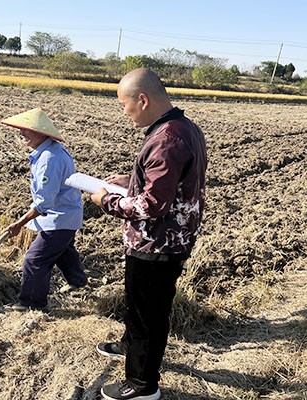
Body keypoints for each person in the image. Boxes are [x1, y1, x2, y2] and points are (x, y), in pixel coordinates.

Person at [90, 68, 207, 400]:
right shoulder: (184, 128)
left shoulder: (167, 139)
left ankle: (141, 386)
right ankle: (131, 346)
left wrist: (107, 200)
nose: (124, 113)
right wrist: (128, 181)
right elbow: (171, 183)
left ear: (143, 100)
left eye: (125, 105)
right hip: (165, 239)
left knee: (148, 314)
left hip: (157, 243)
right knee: (140, 307)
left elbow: (152, 205)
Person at [1, 108, 87, 311]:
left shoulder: (49, 159)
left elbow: (43, 203)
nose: (22, 134)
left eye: (26, 130)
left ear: (41, 132)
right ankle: (77, 279)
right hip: (66, 216)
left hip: (59, 218)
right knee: (62, 249)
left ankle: (32, 303)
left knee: (35, 259)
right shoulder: (51, 151)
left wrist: (19, 224)